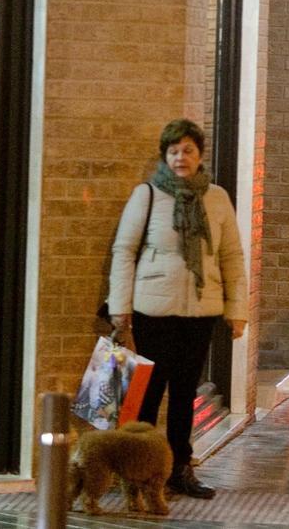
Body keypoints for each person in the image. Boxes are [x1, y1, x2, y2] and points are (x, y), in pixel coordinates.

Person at [108, 118, 248, 499]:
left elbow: (232, 255)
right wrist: (120, 307)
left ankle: (180, 469)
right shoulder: (148, 194)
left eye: (187, 150)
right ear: (164, 155)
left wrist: (238, 310)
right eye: (173, 151)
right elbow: (124, 250)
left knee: (186, 393)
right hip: (154, 309)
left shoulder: (216, 198)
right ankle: (141, 471)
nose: (180, 158)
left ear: (199, 154)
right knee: (149, 394)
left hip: (201, 312)